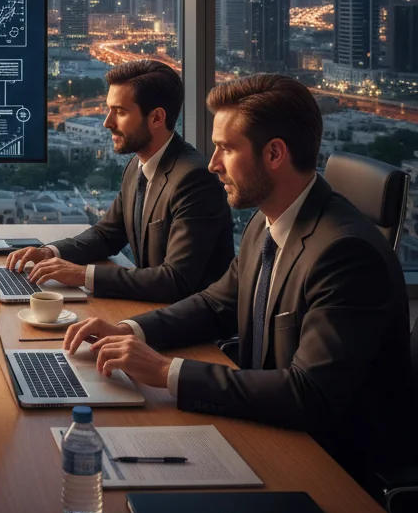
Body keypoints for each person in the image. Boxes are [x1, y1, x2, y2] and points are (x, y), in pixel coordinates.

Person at [63, 74, 411, 486]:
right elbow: (215, 304)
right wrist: (129, 330)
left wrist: (166, 371)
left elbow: (309, 395)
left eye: (226, 149)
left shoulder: (346, 255)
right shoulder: (268, 224)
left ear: (275, 154)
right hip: (268, 429)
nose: (211, 163)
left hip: (330, 467)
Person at [6, 60, 232, 302]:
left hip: (192, 330)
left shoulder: (194, 179)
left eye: (120, 112)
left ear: (156, 118)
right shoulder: (138, 165)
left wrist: (84, 275)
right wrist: (49, 252)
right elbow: (107, 234)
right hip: (152, 309)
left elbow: (175, 280)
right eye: (109, 109)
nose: (107, 122)